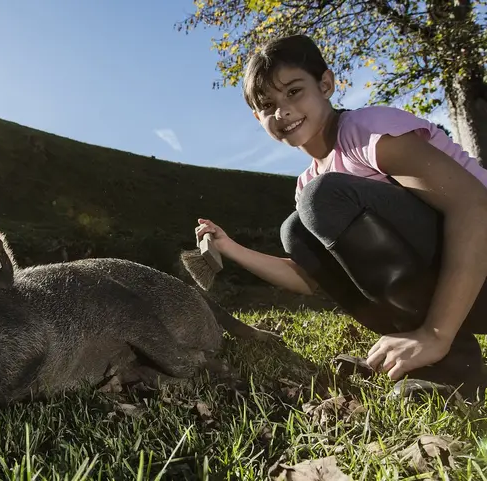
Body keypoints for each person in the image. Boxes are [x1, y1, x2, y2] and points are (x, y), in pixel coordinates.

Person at [194, 34, 487, 401]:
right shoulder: (309, 183)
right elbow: (310, 277)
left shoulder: (369, 132)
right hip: (460, 290)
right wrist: (228, 246)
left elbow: (474, 207)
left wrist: (437, 334)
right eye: (267, 106)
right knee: (296, 230)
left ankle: (452, 366)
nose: (281, 111)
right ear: (258, 118)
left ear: (326, 85)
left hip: (480, 268)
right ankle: (415, 353)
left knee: (321, 200)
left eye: (294, 92)